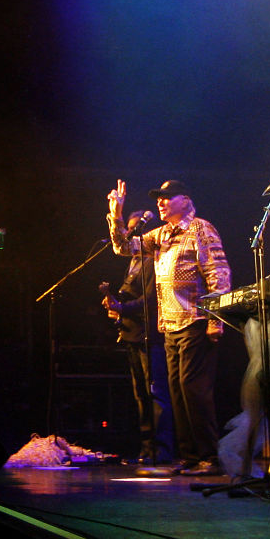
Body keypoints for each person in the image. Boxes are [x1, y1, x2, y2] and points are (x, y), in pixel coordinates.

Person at [107, 179, 231, 473]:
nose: (160, 202)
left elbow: (219, 275)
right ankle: (189, 458)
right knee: (177, 390)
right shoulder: (161, 234)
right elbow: (124, 247)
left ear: (185, 200)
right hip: (170, 326)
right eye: (158, 198)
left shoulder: (201, 229)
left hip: (195, 321)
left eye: (167, 197)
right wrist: (117, 214)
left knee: (193, 389)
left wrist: (216, 320)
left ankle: (210, 458)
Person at [100, 210, 174, 464]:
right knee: (141, 395)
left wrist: (124, 308)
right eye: (128, 229)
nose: (130, 234)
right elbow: (131, 295)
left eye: (134, 229)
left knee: (156, 394)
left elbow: (152, 299)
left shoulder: (156, 260)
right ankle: (146, 449)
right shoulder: (133, 260)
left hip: (149, 335)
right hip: (131, 333)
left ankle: (162, 449)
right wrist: (115, 305)